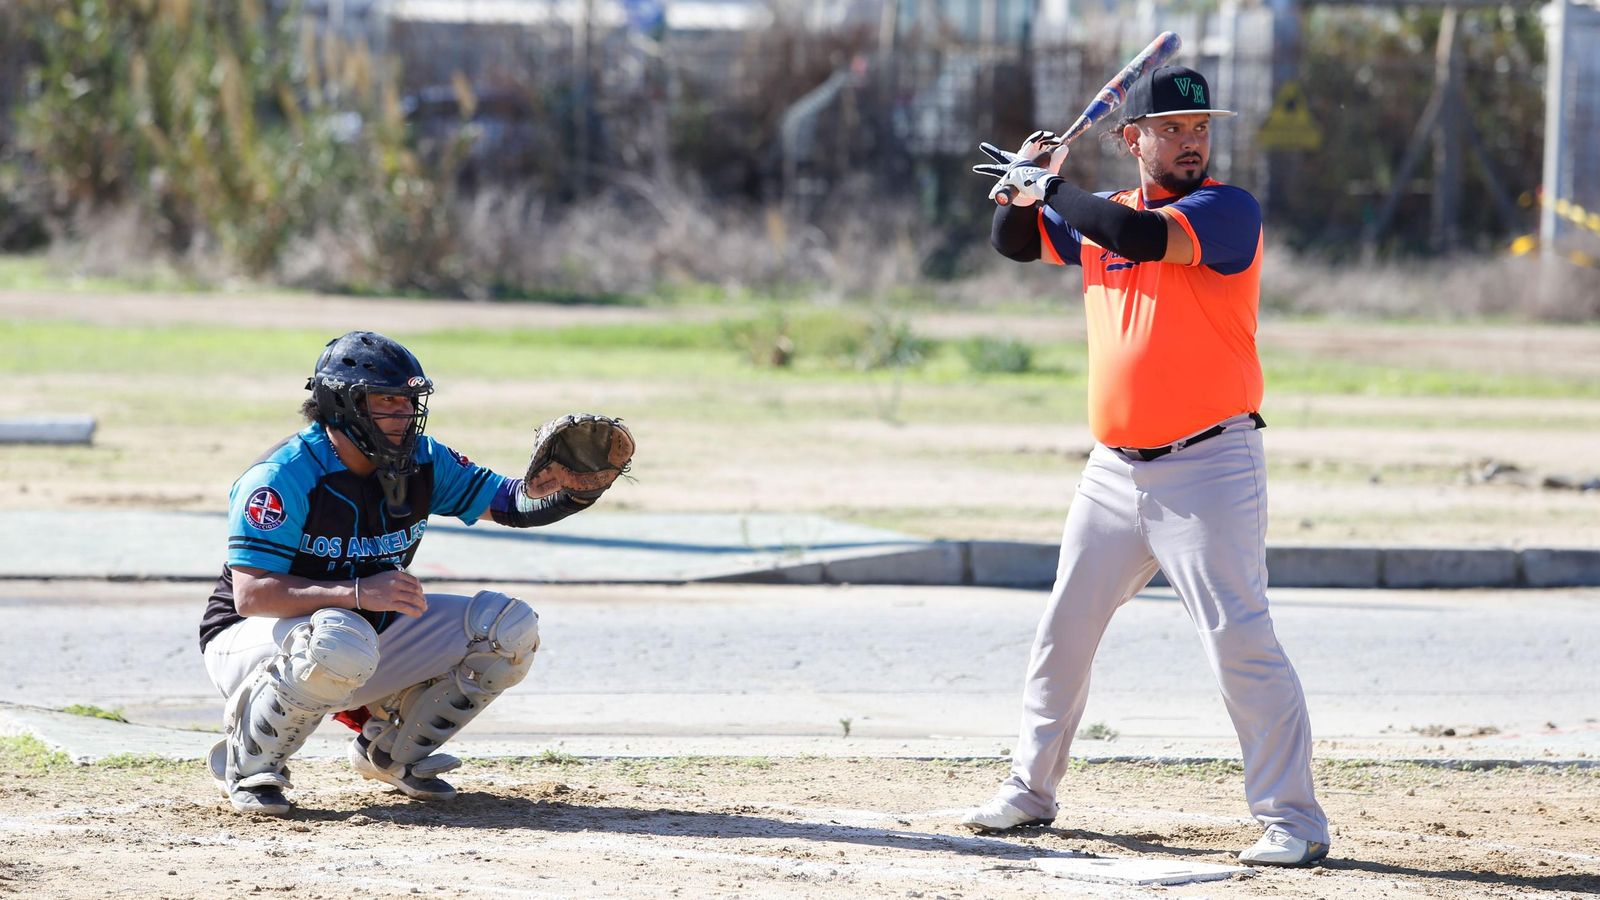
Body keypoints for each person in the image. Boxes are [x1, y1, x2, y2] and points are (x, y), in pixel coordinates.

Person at [963, 65, 1330, 867]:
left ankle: (1294, 821)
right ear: (1133, 140)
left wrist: (1049, 187)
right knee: (1064, 628)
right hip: (1112, 472)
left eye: (1199, 130)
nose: (1190, 143)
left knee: (1240, 640)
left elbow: (1135, 240)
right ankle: (1030, 792)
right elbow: (1015, 244)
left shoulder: (1227, 210)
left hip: (1209, 464)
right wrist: (1024, 190)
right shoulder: (1108, 210)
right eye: (1171, 129)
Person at [198, 331, 622, 816]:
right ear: (342, 404)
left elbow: (512, 503)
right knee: (341, 634)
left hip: (355, 633)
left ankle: (391, 753)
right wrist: (359, 591)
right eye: (386, 402)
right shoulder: (282, 476)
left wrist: (572, 492)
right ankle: (249, 766)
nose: (402, 414)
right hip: (247, 637)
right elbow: (252, 595)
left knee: (508, 628)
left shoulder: (422, 459)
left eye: (408, 401)